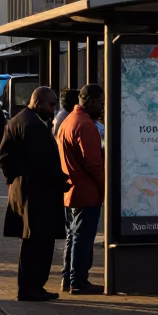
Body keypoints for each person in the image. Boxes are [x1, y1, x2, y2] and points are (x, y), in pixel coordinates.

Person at [0, 86, 69, 301]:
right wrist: (60, 181)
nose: (53, 108)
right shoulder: (33, 126)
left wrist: (14, 179)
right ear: (38, 101)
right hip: (38, 194)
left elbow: (4, 159)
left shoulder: (17, 121)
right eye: (50, 104)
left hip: (25, 191)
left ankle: (30, 286)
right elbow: (43, 163)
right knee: (40, 242)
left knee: (31, 241)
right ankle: (32, 287)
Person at [57, 83, 105, 295]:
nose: (102, 108)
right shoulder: (86, 125)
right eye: (101, 103)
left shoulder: (69, 120)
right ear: (92, 101)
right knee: (82, 238)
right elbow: (93, 162)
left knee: (73, 236)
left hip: (71, 189)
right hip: (85, 191)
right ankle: (78, 281)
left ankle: (68, 279)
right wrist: (105, 188)